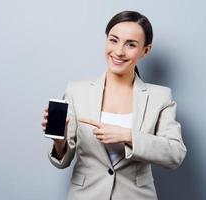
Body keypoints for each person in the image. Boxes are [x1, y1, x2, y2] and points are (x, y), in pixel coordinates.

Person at [41, 10, 187, 200]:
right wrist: (59, 140)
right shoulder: (77, 91)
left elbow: (175, 154)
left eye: (131, 44)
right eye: (113, 40)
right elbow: (63, 161)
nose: (118, 51)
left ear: (146, 50)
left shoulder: (160, 97)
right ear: (106, 40)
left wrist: (126, 136)